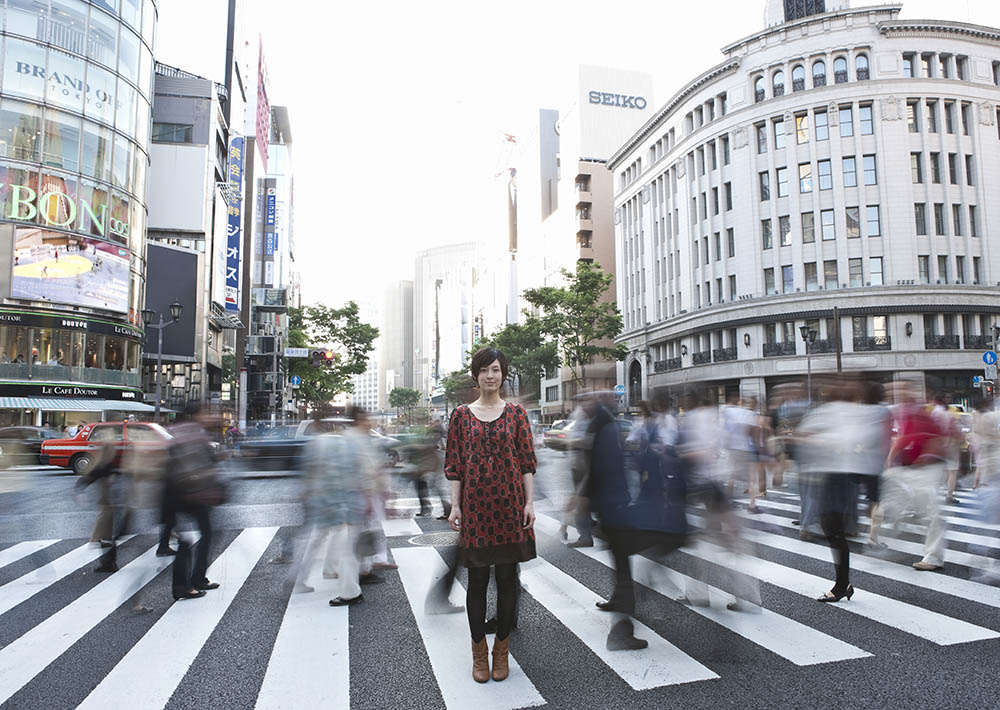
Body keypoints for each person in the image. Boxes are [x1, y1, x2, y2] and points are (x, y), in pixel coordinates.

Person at [446, 347, 536, 684]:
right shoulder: (461, 416)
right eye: (484, 370)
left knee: (507, 581)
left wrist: (529, 503)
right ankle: (479, 653)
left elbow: (526, 462)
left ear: (503, 374)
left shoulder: (516, 415)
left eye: (496, 370)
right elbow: (454, 467)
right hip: (476, 511)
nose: (490, 376)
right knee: (478, 583)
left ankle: (502, 651)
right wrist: (455, 506)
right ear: (476, 375)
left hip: (510, 509)